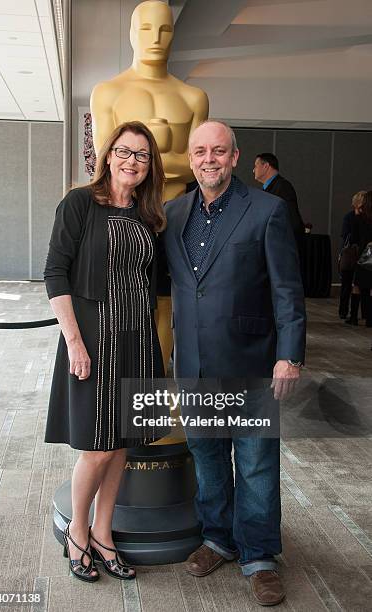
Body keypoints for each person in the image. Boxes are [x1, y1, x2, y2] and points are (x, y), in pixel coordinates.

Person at [162, 121, 306, 606]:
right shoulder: (173, 213)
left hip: (253, 362)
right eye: (201, 151)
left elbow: (287, 289)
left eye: (218, 151)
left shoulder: (268, 210)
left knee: (257, 464)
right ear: (190, 156)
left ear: (235, 156)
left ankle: (260, 556)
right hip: (196, 364)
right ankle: (218, 539)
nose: (209, 159)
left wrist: (289, 355)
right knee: (206, 459)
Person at [44, 121, 166, 582]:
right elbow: (55, 273)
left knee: (121, 447)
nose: (131, 161)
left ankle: (103, 533)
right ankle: (78, 532)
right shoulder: (79, 202)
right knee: (96, 447)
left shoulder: (147, 216)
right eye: (124, 151)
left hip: (136, 341)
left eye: (141, 155)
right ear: (107, 154)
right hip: (93, 340)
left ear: (148, 165)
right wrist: (74, 341)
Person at [90, 0, 209, 371]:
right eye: (145, 29)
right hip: (123, 217)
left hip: (176, 220)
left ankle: (151, 397)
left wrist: (142, 156)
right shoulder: (107, 92)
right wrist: (161, 156)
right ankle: (122, 390)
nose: (155, 38)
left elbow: (197, 166)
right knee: (121, 303)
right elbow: (106, 158)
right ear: (130, 34)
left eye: (164, 29)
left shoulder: (193, 98)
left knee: (168, 304)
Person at [253, 153, 305, 254]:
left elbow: (292, 221)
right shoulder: (268, 189)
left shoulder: (283, 187)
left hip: (280, 249)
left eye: (256, 165)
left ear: (266, 166)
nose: (254, 170)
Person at [339, 191, 366, 319]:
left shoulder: (364, 218)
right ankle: (344, 311)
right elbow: (347, 236)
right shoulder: (350, 217)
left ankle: (352, 313)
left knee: (357, 284)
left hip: (361, 254)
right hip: (353, 254)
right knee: (347, 283)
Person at [347, 190, 372, 326]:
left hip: (364, 254)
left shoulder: (361, 218)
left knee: (357, 285)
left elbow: (354, 237)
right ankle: (370, 318)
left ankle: (354, 316)